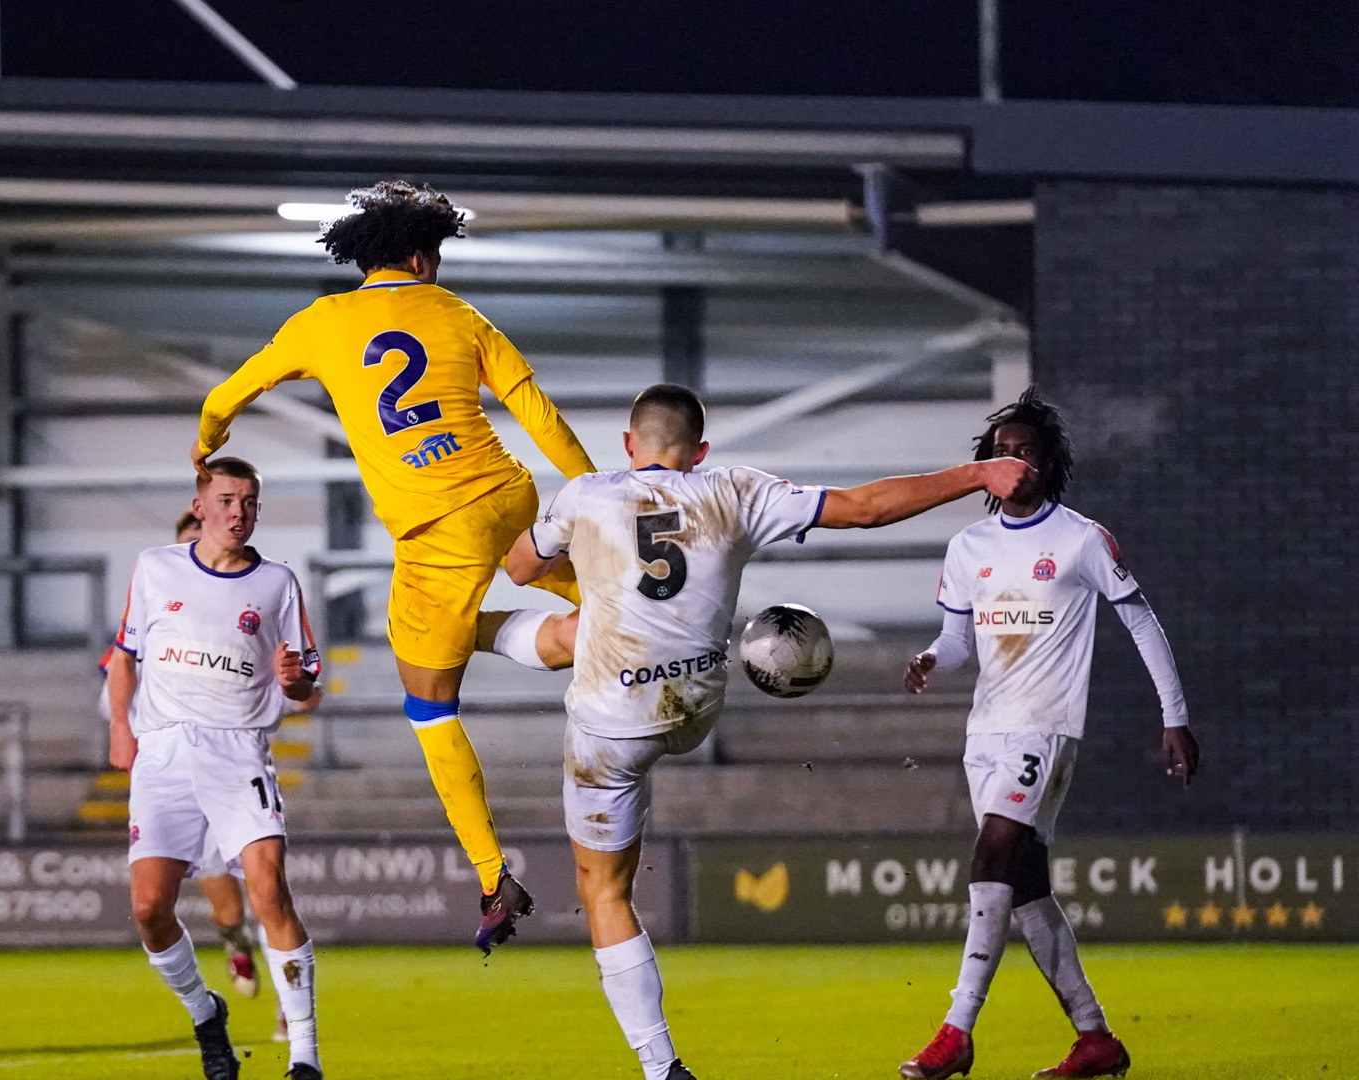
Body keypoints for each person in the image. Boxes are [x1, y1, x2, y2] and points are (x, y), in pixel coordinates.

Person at [500, 383, 1037, 1080]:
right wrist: (975, 474)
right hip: (694, 709)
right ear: (700, 452)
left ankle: (662, 1068)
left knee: (604, 891)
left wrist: (580, 553)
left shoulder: (585, 495)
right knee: (579, 631)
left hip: (612, 729)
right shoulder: (735, 490)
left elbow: (519, 566)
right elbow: (868, 509)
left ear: (629, 445)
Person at [194, 179, 597, 951]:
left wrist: (205, 439)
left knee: (431, 703)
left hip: (433, 534)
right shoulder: (458, 315)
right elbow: (535, 407)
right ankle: (655, 640)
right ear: (418, 256)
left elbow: (227, 394)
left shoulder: (322, 323)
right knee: (610, 615)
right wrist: (597, 490)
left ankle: (490, 873)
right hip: (509, 500)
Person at [897, 389, 1199, 1080]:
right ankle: (1096, 1040)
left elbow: (1142, 622)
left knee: (994, 853)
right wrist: (927, 661)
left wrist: (1173, 716)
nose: (1011, 460)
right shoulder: (968, 545)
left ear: (1047, 463)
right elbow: (955, 640)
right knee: (1025, 887)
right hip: (987, 734)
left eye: (1024, 450)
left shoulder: (1081, 539)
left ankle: (956, 1029)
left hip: (1046, 727)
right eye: (1000, 451)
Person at [107, 458, 326, 1080]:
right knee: (150, 908)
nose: (239, 512)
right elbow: (125, 656)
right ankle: (207, 1015)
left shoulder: (278, 583)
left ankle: (305, 1054)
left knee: (268, 888)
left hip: (239, 751)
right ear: (200, 506)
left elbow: (307, 684)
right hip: (165, 753)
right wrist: (121, 728)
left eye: (250, 502)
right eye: (227, 500)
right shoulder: (155, 567)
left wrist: (297, 679)